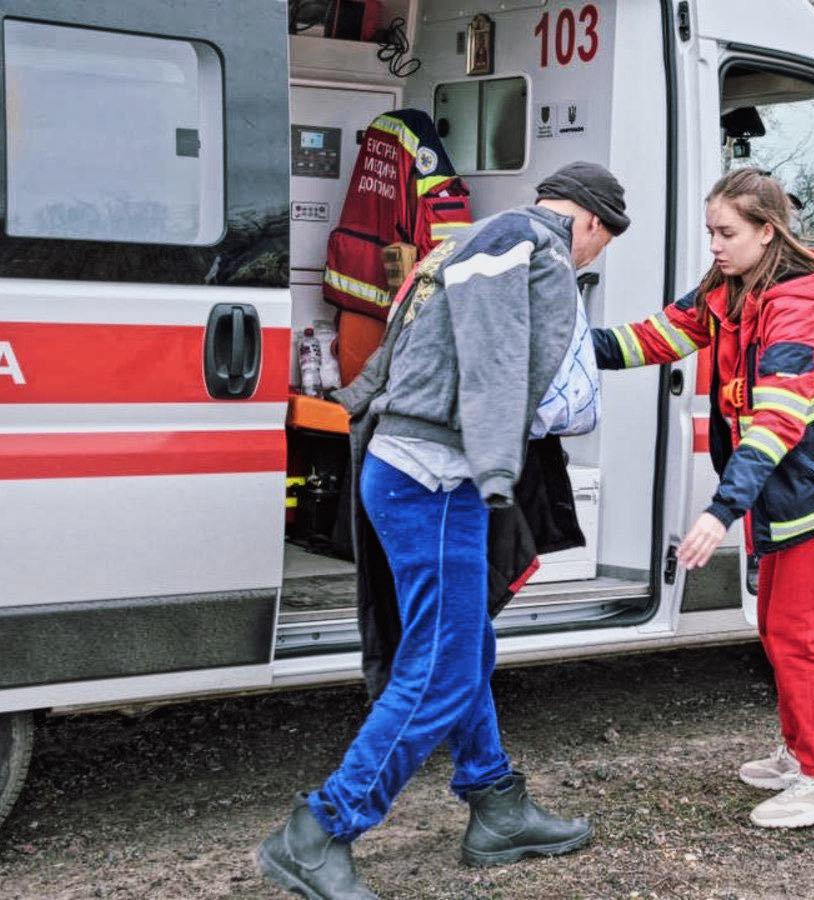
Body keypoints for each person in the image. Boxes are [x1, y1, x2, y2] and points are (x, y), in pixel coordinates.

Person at [257, 162, 630, 898]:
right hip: (436, 478)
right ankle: (321, 829)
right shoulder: (539, 250)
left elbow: (414, 351)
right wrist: (497, 468)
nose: (591, 258)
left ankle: (496, 803)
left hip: (403, 466)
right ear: (590, 221)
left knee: (464, 646)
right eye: (601, 246)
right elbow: (499, 361)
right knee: (440, 667)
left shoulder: (471, 240)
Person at [594, 168, 814, 829]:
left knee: (800, 636)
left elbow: (777, 422)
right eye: (710, 233)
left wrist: (721, 509)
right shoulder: (730, 290)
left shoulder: (796, 311)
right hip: (787, 490)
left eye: (727, 233)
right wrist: (576, 350)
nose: (716, 246)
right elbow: (658, 337)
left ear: (767, 232)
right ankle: (799, 753)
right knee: (778, 628)